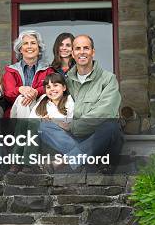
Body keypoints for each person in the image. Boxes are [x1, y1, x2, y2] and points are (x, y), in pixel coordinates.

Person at [39, 34, 123, 171]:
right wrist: (51, 117)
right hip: (77, 138)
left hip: (98, 135)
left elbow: (105, 112)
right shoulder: (67, 81)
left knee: (111, 126)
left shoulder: (108, 79)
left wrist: (72, 126)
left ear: (93, 52)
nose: (82, 52)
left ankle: (66, 160)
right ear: (72, 53)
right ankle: (86, 157)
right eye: (77, 48)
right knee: (44, 126)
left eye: (86, 48)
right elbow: (56, 101)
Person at [10, 72, 74, 172]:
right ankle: (17, 161)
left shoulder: (69, 101)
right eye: (48, 87)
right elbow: (31, 120)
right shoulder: (44, 101)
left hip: (57, 140)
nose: (52, 89)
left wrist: (52, 121)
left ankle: (27, 163)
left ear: (64, 88)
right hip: (40, 139)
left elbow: (69, 126)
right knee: (25, 123)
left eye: (56, 85)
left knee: (37, 125)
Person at [2, 30, 53, 118]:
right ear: (20, 49)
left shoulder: (48, 70)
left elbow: (53, 88)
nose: (29, 46)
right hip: (17, 112)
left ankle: (26, 131)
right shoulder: (11, 70)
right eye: (25, 43)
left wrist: (36, 92)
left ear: (39, 48)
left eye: (33, 43)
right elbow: (8, 93)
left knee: (44, 97)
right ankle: (25, 131)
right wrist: (20, 89)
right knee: (22, 99)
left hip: (40, 110)